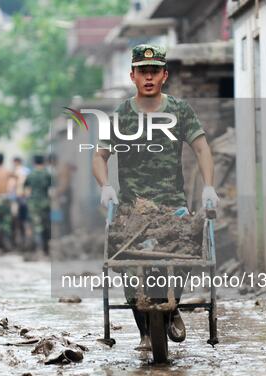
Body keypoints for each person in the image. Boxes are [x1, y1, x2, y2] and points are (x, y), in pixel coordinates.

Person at [92, 44, 220, 350]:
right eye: (142, 71)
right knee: (123, 258)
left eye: (154, 71)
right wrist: (105, 186)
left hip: (172, 205)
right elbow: (100, 155)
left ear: (165, 75)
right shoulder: (122, 114)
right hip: (132, 206)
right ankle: (145, 332)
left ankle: (173, 305)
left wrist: (209, 186)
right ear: (132, 76)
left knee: (188, 248)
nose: (148, 77)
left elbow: (201, 148)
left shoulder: (179, 110)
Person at [24, 155, 52, 254]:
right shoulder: (47, 174)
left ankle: (38, 248)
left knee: (36, 226)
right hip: (45, 202)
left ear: (34, 162)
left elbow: (27, 189)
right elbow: (51, 189)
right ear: (43, 162)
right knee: (46, 225)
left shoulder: (30, 175)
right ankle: (46, 248)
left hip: (34, 203)